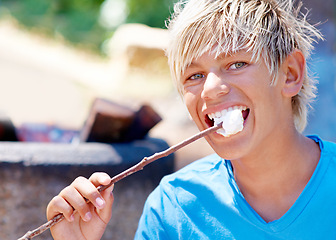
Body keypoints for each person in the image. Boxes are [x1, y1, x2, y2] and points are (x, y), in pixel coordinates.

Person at [47, 0, 335, 239]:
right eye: (194, 76)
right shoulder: (173, 209)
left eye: (236, 64)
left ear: (290, 74)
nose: (209, 90)